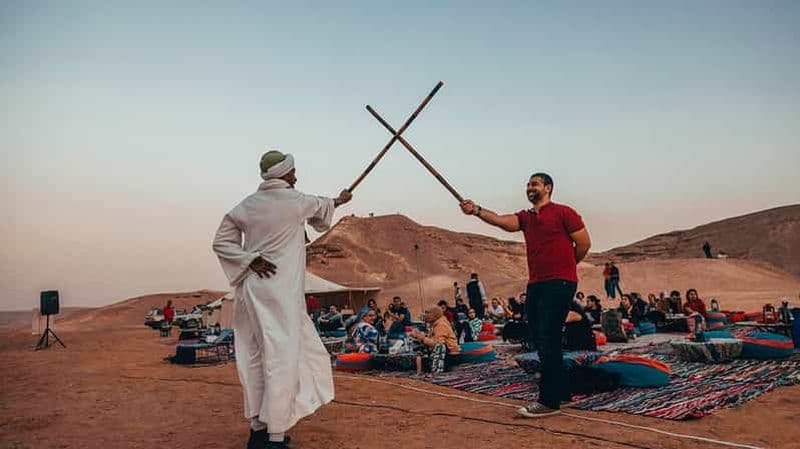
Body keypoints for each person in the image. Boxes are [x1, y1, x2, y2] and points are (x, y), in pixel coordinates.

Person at [212, 149, 352, 449]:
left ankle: (258, 429)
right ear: (285, 174)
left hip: (251, 291)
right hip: (281, 295)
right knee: (282, 360)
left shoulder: (247, 205)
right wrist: (341, 199)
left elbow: (221, 241)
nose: (296, 176)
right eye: (293, 172)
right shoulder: (296, 201)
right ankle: (275, 437)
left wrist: (249, 260)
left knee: (254, 356)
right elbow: (325, 206)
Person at [459, 171, 591, 418]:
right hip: (537, 283)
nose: (530, 187)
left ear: (548, 188)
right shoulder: (526, 217)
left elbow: (584, 243)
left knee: (549, 337)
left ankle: (548, 402)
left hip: (560, 282)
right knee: (539, 337)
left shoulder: (564, 212)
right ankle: (562, 393)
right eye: (528, 184)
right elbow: (500, 220)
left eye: (535, 184)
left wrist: (569, 265)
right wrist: (476, 210)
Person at [411, 305, 461, 374]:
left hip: (450, 355)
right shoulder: (435, 324)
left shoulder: (441, 325)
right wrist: (419, 336)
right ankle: (420, 370)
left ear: (435, 315)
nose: (425, 315)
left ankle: (437, 370)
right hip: (444, 354)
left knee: (440, 346)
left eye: (427, 313)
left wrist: (422, 338)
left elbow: (436, 343)